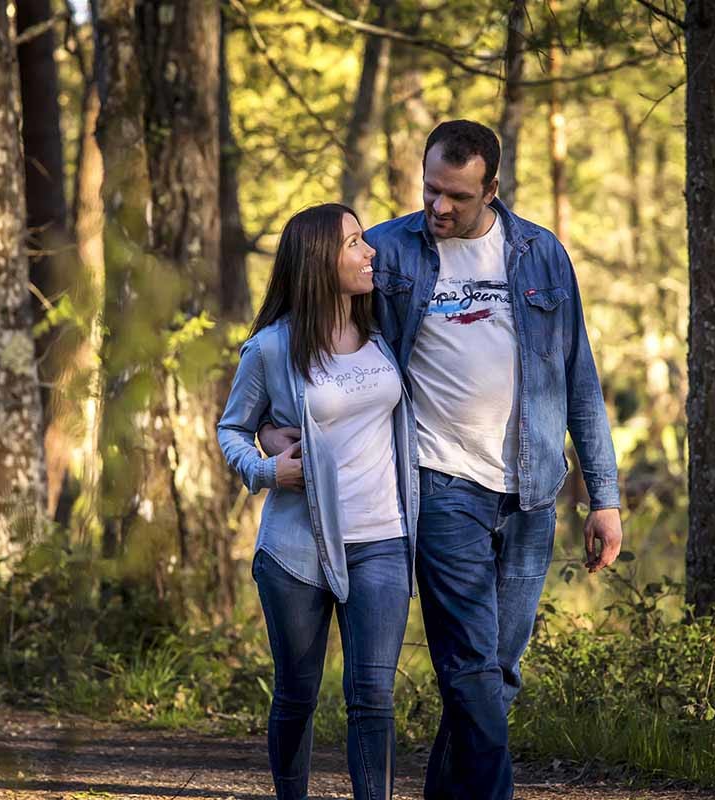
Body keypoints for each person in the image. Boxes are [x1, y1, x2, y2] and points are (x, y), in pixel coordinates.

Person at [261, 120, 624, 799]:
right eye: (430, 189)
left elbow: (580, 376)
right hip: (438, 482)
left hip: (531, 491)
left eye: (456, 195)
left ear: (491, 188)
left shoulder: (541, 254)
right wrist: (274, 424)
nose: (439, 207)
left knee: (496, 675)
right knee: (471, 670)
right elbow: (308, 313)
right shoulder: (393, 250)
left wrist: (602, 496)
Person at [217, 203, 419, 800]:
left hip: (382, 536)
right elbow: (232, 428)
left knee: (373, 698)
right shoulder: (271, 349)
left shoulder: (384, 324)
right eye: (355, 243)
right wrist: (265, 467)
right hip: (296, 548)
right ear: (317, 263)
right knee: (298, 692)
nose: (370, 252)